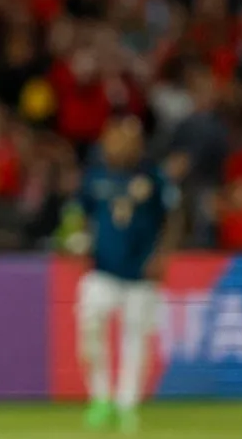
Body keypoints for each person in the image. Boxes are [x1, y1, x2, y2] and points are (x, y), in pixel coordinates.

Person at [67, 114, 183, 434]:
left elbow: (173, 216)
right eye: (115, 138)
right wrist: (77, 238)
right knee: (89, 327)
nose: (120, 146)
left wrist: (162, 255)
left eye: (128, 139)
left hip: (141, 273)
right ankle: (100, 398)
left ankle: (127, 405)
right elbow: (79, 212)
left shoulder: (154, 177)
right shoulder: (95, 176)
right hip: (102, 269)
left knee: (136, 340)